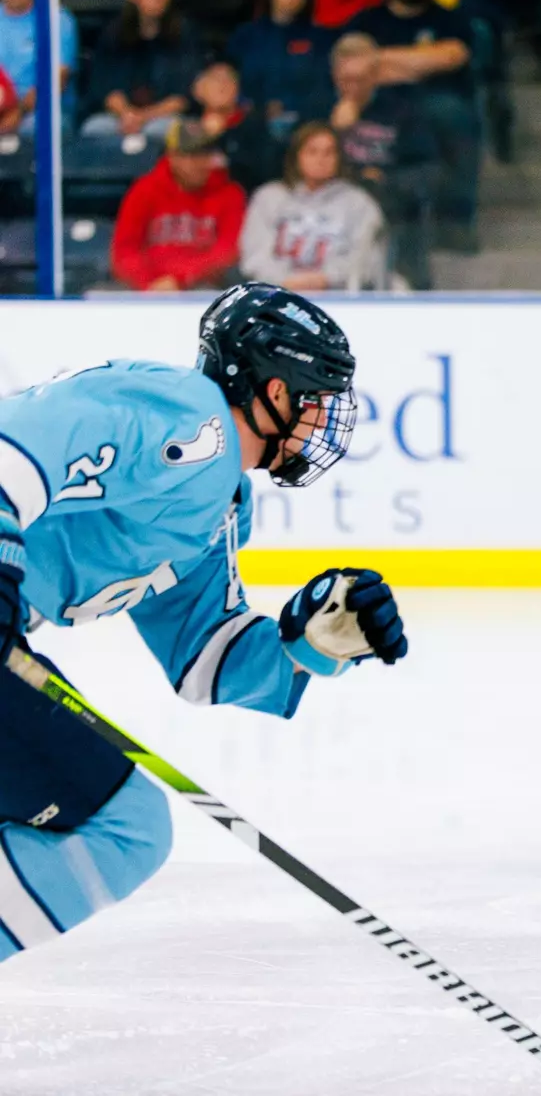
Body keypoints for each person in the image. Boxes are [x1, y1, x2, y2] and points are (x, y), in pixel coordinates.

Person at [0, 283, 408, 966]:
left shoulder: (216, 500)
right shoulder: (182, 416)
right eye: (315, 400)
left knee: (124, 826)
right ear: (275, 392)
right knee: (123, 827)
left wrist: (309, 644)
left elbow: (206, 663)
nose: (322, 423)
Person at [346, 0, 481, 251]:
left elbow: (452, 56)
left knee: (455, 116)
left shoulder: (450, 18)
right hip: (378, 107)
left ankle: (455, 222)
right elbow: (351, 65)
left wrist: (379, 59)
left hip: (435, 109)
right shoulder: (367, 20)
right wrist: (422, 62)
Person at [320, 32, 439, 288]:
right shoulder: (318, 107)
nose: (352, 88)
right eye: (345, 80)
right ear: (334, 75)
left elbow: (426, 167)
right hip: (328, 202)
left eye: (360, 80)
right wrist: (334, 131)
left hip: (387, 200)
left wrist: (384, 180)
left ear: (376, 76)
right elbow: (305, 159)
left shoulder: (402, 111)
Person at [240, 121, 389, 291]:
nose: (321, 159)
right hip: (275, 295)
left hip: (340, 299)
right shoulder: (268, 198)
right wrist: (285, 281)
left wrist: (326, 278)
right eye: (312, 152)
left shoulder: (359, 203)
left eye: (329, 152)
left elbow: (368, 260)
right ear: (296, 156)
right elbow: (254, 257)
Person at [111, 119, 249, 292]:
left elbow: (228, 250)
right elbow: (124, 250)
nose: (200, 163)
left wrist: (181, 280)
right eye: (191, 155)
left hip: (203, 287)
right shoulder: (144, 190)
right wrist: (148, 283)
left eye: (205, 154)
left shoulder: (230, 193)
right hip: (148, 289)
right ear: (172, 156)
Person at [82, 0, 207, 137]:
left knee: (157, 131)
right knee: (95, 128)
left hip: (165, 116)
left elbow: (183, 97)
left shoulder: (184, 34)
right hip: (122, 116)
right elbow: (104, 87)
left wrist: (144, 117)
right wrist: (127, 114)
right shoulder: (113, 34)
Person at [226, 0, 340, 140]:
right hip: (250, 127)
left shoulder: (321, 39)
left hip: (305, 129)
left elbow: (325, 89)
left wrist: (288, 106)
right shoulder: (245, 36)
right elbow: (232, 84)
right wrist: (261, 109)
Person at [189, 60, 282, 192]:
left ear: (237, 89)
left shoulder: (256, 127)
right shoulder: (186, 127)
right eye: (215, 79)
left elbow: (265, 173)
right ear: (198, 91)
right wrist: (205, 135)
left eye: (229, 79)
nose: (222, 85)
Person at [0, 0, 79, 135]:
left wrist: (19, 111)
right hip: (3, 107)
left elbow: (56, 80)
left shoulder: (56, 19)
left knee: (34, 127)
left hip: (39, 110)